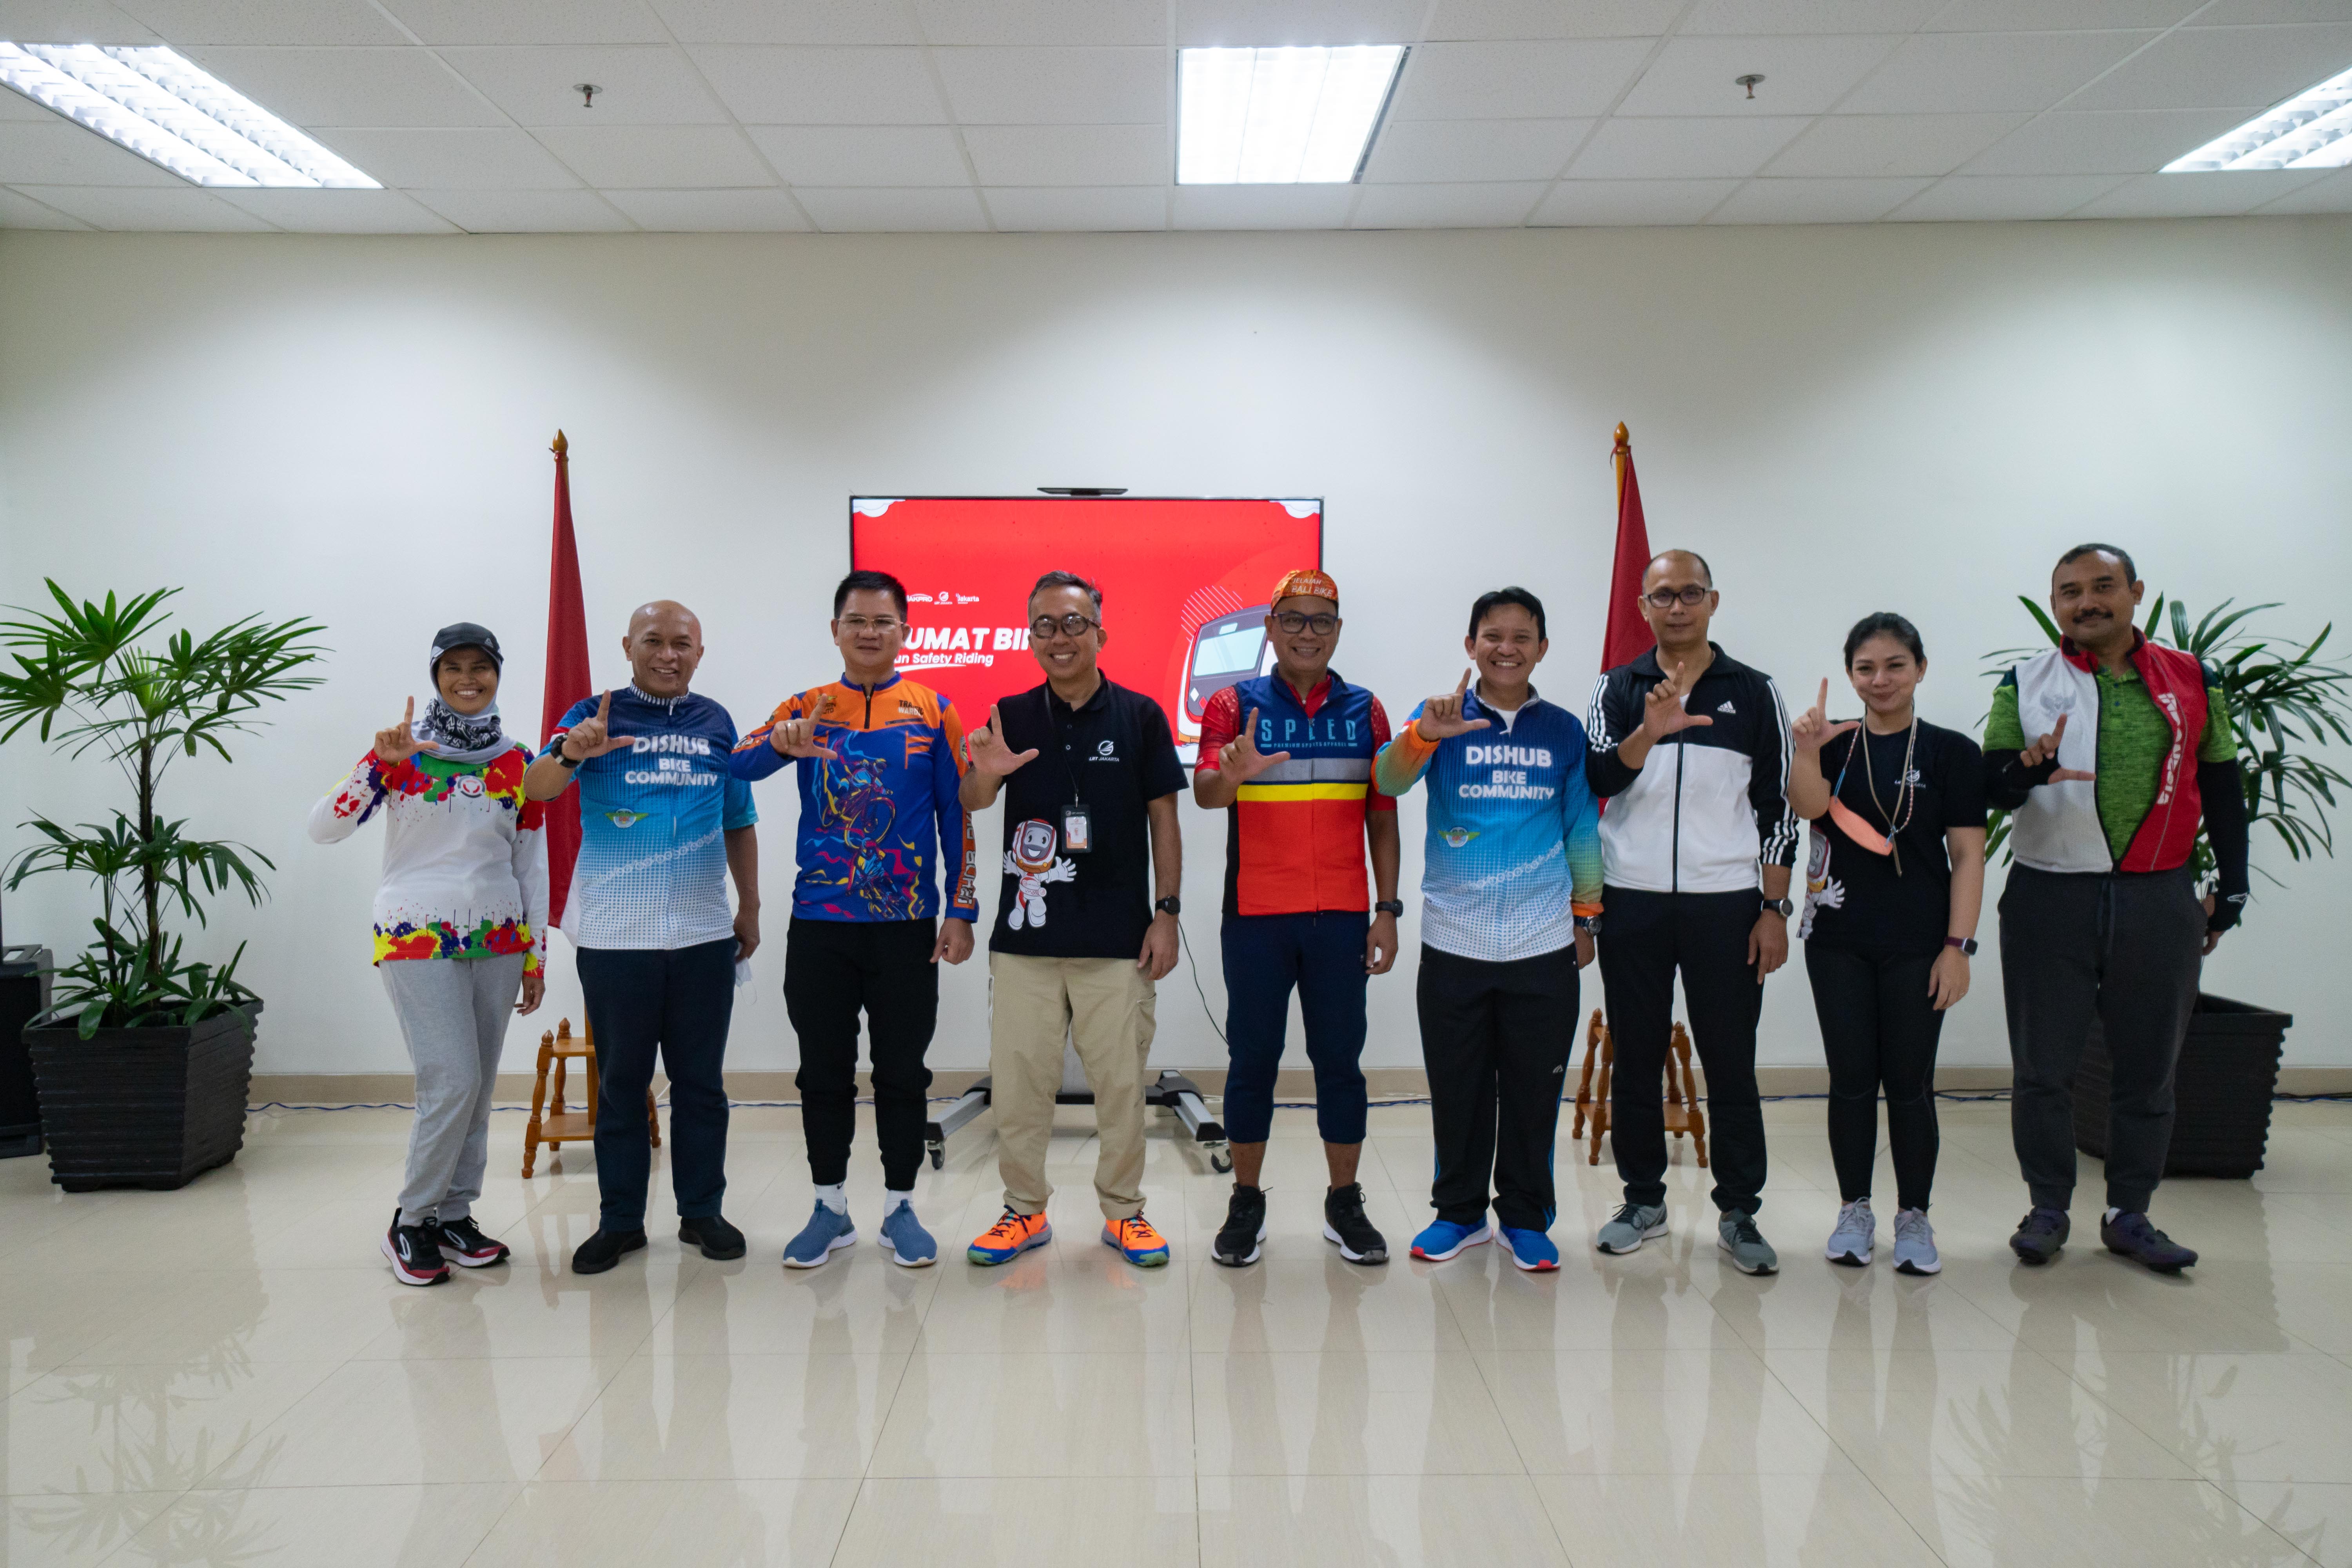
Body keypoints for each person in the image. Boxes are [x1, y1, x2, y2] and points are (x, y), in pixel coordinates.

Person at [1985, 544, 2247, 1275]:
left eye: (2103, 586)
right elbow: (1992, 786)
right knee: (2043, 1068)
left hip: (2159, 895)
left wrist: (2232, 887)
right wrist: (2028, 769)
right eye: (2070, 591)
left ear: (2136, 592)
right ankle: (2048, 1209)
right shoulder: (2026, 681)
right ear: (2055, 603)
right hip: (2048, 894)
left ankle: (2129, 1213)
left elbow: (2222, 784)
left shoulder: (2193, 679)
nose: (2087, 602)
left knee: (2149, 1068)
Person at [729, 569, 979, 1270]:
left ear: (905, 631)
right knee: (823, 1072)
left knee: (903, 1072)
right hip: (820, 925)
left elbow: (957, 817)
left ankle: (901, 1208)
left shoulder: (934, 711)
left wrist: (961, 909)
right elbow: (739, 767)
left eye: (883, 622)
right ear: (835, 630)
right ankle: (829, 1207)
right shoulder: (806, 706)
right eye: (857, 621)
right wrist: (782, 743)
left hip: (907, 926)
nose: (870, 633)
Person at [523, 600, 762, 1276]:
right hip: (614, 938)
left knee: (700, 1085)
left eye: (682, 643)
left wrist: (750, 905)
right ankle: (621, 1222)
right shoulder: (592, 715)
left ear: (700, 653)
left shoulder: (716, 722)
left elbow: (738, 819)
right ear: (628, 646)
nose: (667, 655)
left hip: (703, 934)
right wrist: (571, 751)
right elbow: (536, 789)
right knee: (622, 1085)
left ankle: (702, 1213)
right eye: (653, 641)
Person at [958, 570, 1187, 1269]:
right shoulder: (1010, 713)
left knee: (1121, 1088)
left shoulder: (1142, 715)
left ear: (1100, 633)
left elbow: (1165, 820)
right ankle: (1023, 1211)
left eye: (1074, 623)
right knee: (1020, 1087)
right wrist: (988, 771)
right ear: (1031, 637)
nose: (1059, 637)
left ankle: (1125, 1214)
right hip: (1025, 941)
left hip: (1119, 941)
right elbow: (973, 800)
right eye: (1045, 626)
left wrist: (1167, 914)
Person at [1373, 587, 1601, 1273]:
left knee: (1534, 1092)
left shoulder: (1563, 731)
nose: (1507, 648)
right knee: (1459, 1090)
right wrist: (1423, 736)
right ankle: (1460, 1214)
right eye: (1493, 636)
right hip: (1454, 942)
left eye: (1522, 637)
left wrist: (1587, 918)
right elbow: (1387, 781)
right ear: (1471, 646)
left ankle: (1526, 1219)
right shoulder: (1438, 718)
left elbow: (1581, 829)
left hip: (1542, 942)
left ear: (1542, 648)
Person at [1584, 550, 1799, 1276]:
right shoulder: (1617, 687)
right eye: (1663, 596)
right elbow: (1598, 777)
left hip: (1727, 905)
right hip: (1633, 900)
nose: (1677, 607)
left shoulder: (1755, 691)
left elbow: (1778, 808)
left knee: (1731, 1060)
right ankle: (1642, 1200)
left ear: (1713, 601)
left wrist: (1773, 908)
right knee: (1636, 1055)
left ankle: (1739, 1212)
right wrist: (1649, 730)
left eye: (1690, 593)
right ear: (1642, 607)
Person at [309, 623, 544, 1286]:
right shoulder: (403, 752)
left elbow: (531, 864)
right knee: (452, 1079)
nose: (468, 679)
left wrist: (535, 955)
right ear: (436, 676)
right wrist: (375, 766)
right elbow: (324, 829)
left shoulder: (520, 762)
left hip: (499, 938)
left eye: (481, 667)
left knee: (478, 1088)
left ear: (498, 674)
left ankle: (454, 1215)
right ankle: (411, 1221)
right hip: (416, 933)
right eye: (454, 668)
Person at [1191, 568, 1401, 1267]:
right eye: (1294, 619)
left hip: (1340, 917)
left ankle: (1345, 1202)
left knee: (1340, 1063)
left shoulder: (1367, 710)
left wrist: (1387, 910)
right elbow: (1207, 795)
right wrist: (1232, 774)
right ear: (1271, 627)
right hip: (1257, 916)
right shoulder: (1232, 703)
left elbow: (1381, 816)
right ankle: (1246, 1200)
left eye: (1322, 620)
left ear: (1337, 631)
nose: (1307, 633)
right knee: (1252, 1061)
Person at [1786, 613, 1986, 1276]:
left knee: (1909, 1084)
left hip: (1921, 943)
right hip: (1836, 939)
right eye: (1865, 668)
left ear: (1920, 669)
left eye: (1895, 665)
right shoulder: (1834, 744)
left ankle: (1914, 1216)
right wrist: (1806, 749)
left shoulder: (1953, 752)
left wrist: (1958, 946)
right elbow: (1807, 807)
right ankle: (1854, 1210)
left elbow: (1968, 855)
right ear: (1850, 675)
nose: (1881, 680)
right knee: (1850, 1081)